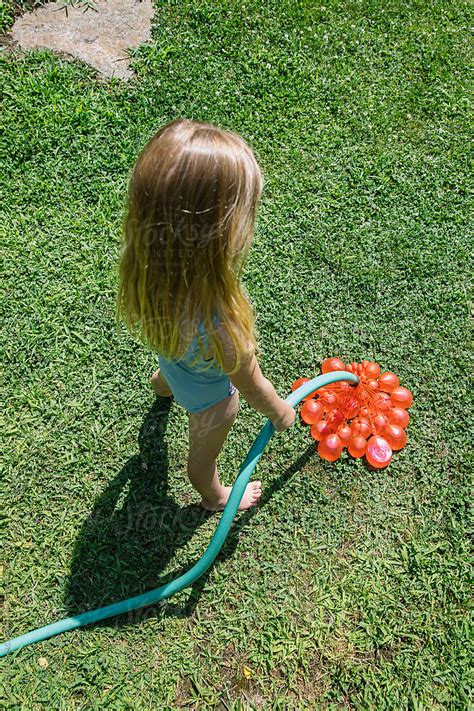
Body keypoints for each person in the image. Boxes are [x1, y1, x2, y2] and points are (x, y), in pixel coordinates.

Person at [116, 118, 295, 512]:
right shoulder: (223, 324)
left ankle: (163, 387)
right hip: (208, 402)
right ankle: (214, 497)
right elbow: (250, 386)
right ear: (222, 233)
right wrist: (281, 411)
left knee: (172, 372)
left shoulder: (151, 272)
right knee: (202, 458)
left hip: (174, 362)